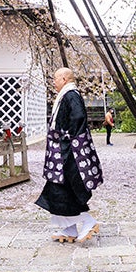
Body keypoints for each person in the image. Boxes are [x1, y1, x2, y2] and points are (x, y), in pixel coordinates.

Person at [36, 67, 102, 243]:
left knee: (64, 189)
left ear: (64, 79)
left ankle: (88, 222)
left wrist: (68, 141)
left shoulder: (71, 95)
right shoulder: (67, 95)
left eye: (56, 79)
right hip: (62, 151)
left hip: (68, 152)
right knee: (57, 190)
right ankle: (69, 229)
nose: (54, 83)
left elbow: (78, 119)